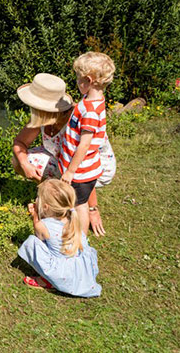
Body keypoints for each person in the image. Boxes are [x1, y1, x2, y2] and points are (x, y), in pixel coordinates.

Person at [12, 73, 115, 236]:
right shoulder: (44, 118)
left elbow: (85, 169)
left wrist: (93, 209)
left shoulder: (76, 122)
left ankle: (71, 206)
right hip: (67, 163)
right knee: (17, 160)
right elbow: (19, 143)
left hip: (93, 168)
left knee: (77, 206)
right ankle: (56, 194)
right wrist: (25, 164)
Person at [58, 52, 115, 234]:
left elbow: (84, 145)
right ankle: (72, 230)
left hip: (81, 172)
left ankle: (80, 239)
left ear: (88, 81)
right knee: (74, 202)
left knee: (80, 205)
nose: (76, 81)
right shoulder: (91, 101)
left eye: (77, 78)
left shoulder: (90, 111)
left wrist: (70, 171)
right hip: (82, 169)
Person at [18, 179, 101, 297]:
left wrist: (35, 214)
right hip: (80, 268)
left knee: (32, 243)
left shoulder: (44, 225)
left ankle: (48, 281)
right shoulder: (72, 217)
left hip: (61, 273)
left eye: (38, 197)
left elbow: (38, 234)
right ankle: (74, 279)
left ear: (45, 207)